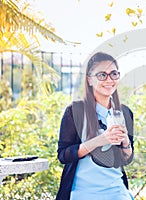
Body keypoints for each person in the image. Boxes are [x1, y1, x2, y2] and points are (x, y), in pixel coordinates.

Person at [56, 52, 134, 200]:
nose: (109, 79)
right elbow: (63, 155)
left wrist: (126, 143)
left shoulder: (125, 113)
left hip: (116, 191)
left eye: (113, 74)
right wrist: (100, 140)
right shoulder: (75, 111)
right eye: (102, 75)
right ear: (89, 80)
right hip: (82, 193)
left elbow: (126, 159)